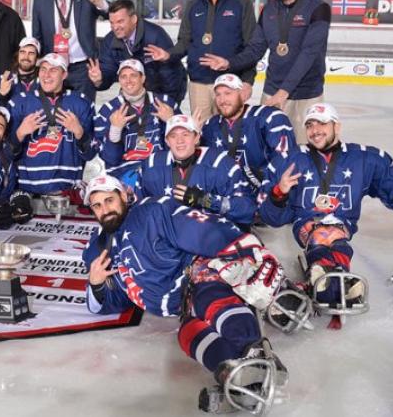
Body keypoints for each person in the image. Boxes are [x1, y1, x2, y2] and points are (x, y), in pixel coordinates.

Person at [82, 174, 287, 414]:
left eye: (109, 200)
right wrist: (96, 284)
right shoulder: (97, 250)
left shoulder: (151, 211)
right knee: (188, 334)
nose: (105, 209)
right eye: (97, 205)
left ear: (124, 197)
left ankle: (253, 351)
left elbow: (200, 229)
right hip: (180, 304)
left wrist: (245, 248)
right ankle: (232, 373)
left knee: (206, 296)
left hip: (197, 274)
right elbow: (111, 302)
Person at [260, 103, 393, 327]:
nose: (315, 130)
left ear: (337, 126)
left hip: (340, 227)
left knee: (332, 237)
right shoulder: (289, 160)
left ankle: (320, 280)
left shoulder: (366, 159)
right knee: (324, 236)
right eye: (310, 125)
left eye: (322, 123)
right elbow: (271, 217)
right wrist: (278, 194)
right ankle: (332, 281)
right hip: (308, 227)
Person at [199, 0, 330, 144]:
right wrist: (229, 63)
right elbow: (255, 49)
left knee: (304, 151)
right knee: (267, 147)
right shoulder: (268, 10)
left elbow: (309, 54)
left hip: (306, 94)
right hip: (272, 93)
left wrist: (284, 92)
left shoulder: (318, 8)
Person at [144, 0, 256, 119]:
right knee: (200, 133)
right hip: (199, 84)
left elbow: (251, 48)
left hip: (229, 84)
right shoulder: (193, 5)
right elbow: (184, 43)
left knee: (228, 134)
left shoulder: (242, 3)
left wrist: (248, 81)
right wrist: (168, 54)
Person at [136, 113, 256, 228]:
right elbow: (137, 210)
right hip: (167, 237)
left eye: (185, 134)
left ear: (196, 137)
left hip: (211, 237)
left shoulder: (220, 164)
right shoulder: (151, 165)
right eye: (173, 136)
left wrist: (204, 199)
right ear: (167, 141)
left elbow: (247, 210)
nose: (179, 141)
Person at [8, 53, 96, 196]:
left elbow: (90, 155)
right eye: (43, 69)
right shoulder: (20, 102)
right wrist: (20, 133)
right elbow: (7, 153)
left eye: (53, 70)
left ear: (64, 74)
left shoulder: (81, 103)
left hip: (68, 190)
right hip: (28, 191)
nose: (46, 75)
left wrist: (79, 132)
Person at [200, 74, 295, 200]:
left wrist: (265, 189)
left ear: (242, 95)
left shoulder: (269, 118)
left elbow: (285, 162)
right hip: (229, 197)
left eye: (228, 93)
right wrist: (193, 136)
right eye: (218, 94)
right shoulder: (210, 125)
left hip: (266, 195)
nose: (222, 100)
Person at [94, 59, 179, 181]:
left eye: (133, 75)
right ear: (119, 80)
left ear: (143, 78)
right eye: (123, 76)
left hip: (161, 171)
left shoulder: (165, 103)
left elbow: (183, 148)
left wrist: (172, 122)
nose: (128, 80)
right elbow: (110, 159)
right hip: (125, 175)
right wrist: (115, 131)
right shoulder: (107, 110)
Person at [88, 0, 186, 104]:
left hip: (163, 92)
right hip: (133, 93)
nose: (115, 27)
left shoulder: (155, 35)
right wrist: (99, 80)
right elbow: (108, 71)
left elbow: (170, 74)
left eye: (120, 21)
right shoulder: (109, 41)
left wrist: (168, 102)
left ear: (134, 19)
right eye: (112, 22)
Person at [32, 0, 108, 101]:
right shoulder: (40, 1)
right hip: (54, 68)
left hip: (83, 68)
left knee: (83, 111)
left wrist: (97, 1)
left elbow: (110, 14)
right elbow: (37, 36)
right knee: (55, 112)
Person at [0, 36, 40, 109]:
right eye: (22, 52)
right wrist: (1, 95)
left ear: (37, 58)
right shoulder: (2, 79)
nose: (26, 57)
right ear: (18, 55)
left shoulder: (45, 81)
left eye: (31, 53)